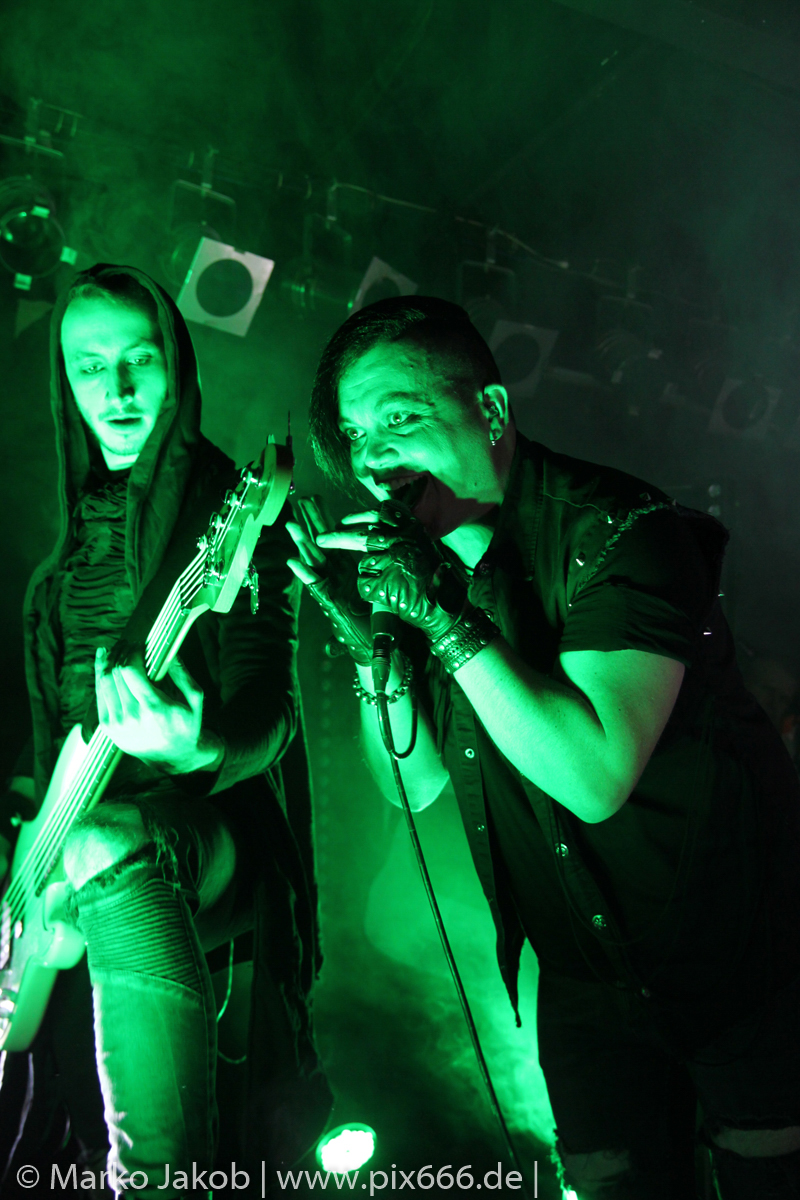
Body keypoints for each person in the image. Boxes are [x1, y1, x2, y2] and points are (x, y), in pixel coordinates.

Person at [287, 296, 800, 1199]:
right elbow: (412, 783)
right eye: (356, 435)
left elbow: (594, 776)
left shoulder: (623, 531)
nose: (373, 457)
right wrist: (374, 652)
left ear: (490, 410)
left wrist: (444, 620)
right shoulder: (426, 565)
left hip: (733, 960)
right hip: (582, 986)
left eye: (400, 418)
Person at [0, 264, 330, 1196]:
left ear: (176, 365)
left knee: (105, 841)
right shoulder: (60, 556)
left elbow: (273, 715)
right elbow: (51, 743)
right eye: (88, 366)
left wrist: (199, 744)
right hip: (65, 848)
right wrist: (22, 836)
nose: (115, 389)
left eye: (138, 359)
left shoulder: (232, 516)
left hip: (208, 828)